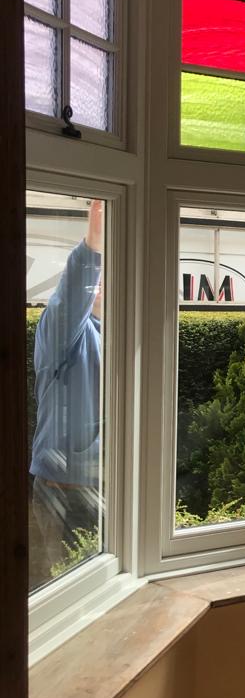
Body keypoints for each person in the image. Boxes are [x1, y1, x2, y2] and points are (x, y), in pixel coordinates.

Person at [29, 200, 104, 590]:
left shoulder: (118, 333)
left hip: (103, 487)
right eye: (99, 277)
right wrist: (93, 244)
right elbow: (71, 295)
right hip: (64, 490)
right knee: (59, 589)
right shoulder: (61, 332)